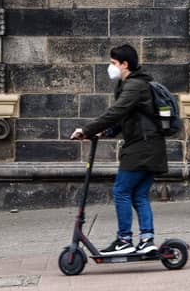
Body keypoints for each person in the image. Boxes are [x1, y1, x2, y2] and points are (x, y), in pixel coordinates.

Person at [70, 44, 167, 256]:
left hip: (142, 148)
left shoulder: (134, 86)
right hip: (150, 146)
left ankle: (124, 240)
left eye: (113, 63)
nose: (110, 67)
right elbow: (128, 118)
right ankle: (147, 240)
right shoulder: (133, 85)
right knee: (139, 195)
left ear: (125, 64)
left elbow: (116, 111)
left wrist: (86, 130)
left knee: (121, 191)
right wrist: (106, 133)